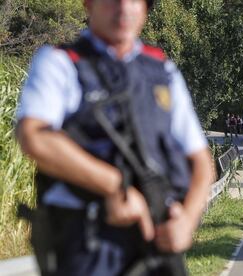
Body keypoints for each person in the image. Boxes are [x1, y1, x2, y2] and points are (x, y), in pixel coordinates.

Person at [15, 0, 214, 275]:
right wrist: (115, 188)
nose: (124, 9)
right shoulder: (60, 62)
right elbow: (34, 137)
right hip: (88, 241)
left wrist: (187, 221)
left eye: (135, 0)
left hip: (159, 239)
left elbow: (201, 160)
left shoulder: (162, 70)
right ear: (88, 5)